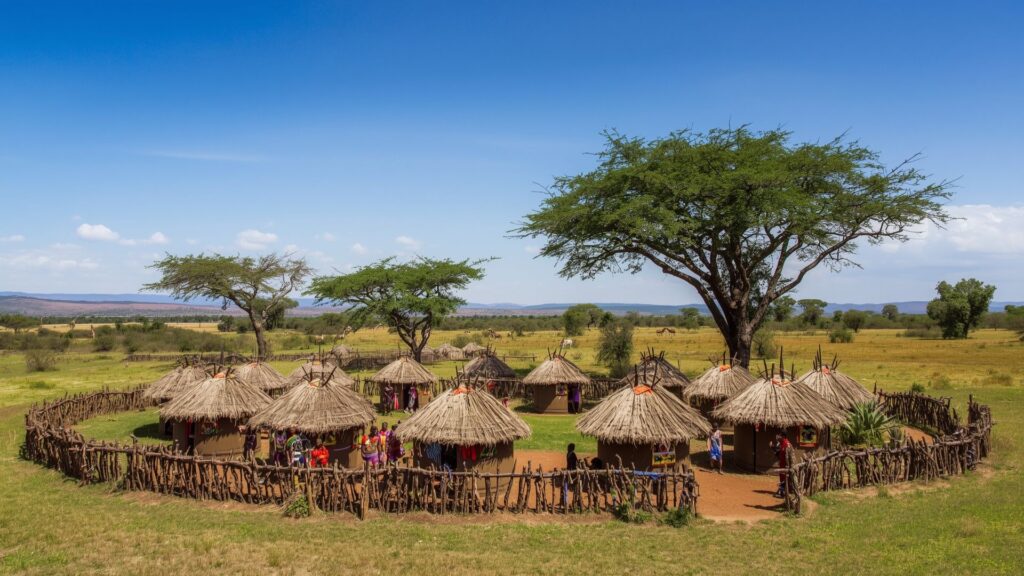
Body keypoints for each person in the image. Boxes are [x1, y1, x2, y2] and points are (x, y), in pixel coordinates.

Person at [770, 432, 792, 498]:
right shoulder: (782, 443)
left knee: (784, 478)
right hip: (782, 464)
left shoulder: (787, 444)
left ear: (783, 436)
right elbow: (779, 453)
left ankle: (783, 493)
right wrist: (772, 447)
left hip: (785, 466)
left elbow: (789, 455)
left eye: (780, 436)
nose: (779, 437)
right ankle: (782, 492)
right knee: (782, 478)